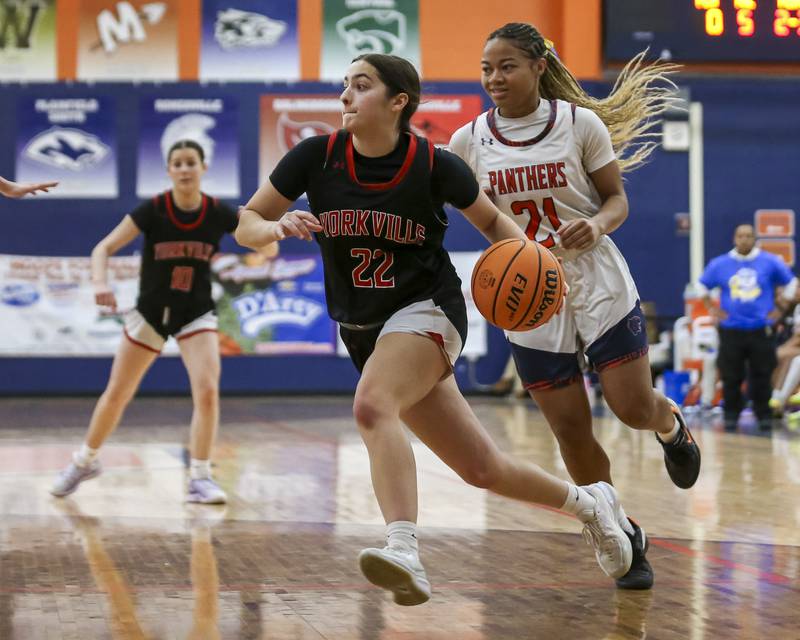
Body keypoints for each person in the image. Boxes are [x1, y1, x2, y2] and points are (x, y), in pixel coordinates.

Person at [235, 52, 635, 606]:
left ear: (398, 101)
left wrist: (542, 272)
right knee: (481, 469)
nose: (346, 96)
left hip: (427, 310)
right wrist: (275, 226)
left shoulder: (435, 165)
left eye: (361, 85)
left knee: (372, 406)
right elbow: (246, 223)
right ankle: (592, 505)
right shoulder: (315, 157)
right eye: (345, 85)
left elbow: (496, 224)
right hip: (364, 328)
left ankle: (403, 549)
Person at [448, 22, 703, 590]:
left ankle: (670, 425)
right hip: (528, 290)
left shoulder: (578, 124)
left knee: (631, 407)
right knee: (570, 431)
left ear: (539, 66)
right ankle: (621, 534)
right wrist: (515, 256)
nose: (494, 78)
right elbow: (478, 218)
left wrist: (597, 224)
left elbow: (616, 200)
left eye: (507, 66)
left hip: (595, 275)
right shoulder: (468, 142)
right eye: (487, 68)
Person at [50, 140, 238, 503]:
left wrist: (268, 233)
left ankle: (199, 477)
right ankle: (84, 461)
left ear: (203, 168)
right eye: (177, 163)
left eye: (191, 162)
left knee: (207, 391)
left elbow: (262, 241)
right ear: (169, 171)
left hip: (195, 312)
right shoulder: (154, 209)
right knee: (118, 392)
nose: (184, 169)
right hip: (151, 312)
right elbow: (102, 248)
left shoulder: (218, 212)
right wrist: (100, 283)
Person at [698, 223, 796, 431]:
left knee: (762, 373)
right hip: (731, 329)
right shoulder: (720, 263)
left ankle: (764, 415)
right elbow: (701, 285)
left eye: (749, 236)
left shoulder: (769, 262)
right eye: (740, 236)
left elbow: (791, 283)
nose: (744, 239)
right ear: (734, 238)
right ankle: (731, 415)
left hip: (761, 328)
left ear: (755, 239)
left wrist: (781, 309)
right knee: (731, 375)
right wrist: (712, 308)